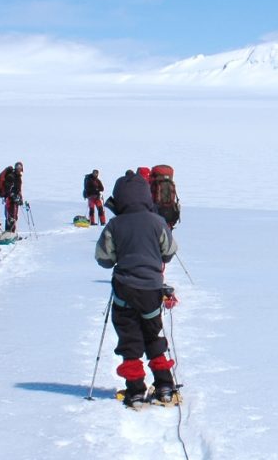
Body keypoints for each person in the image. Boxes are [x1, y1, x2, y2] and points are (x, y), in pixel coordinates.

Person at [94, 172, 180, 407]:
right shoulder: (157, 221)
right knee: (153, 335)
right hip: (151, 291)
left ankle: (136, 389)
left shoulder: (114, 224)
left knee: (130, 340)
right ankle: (164, 385)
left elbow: (103, 258)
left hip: (124, 291)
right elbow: (170, 251)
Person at [0, 162, 25, 235]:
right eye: (17, 167)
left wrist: (20, 198)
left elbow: (18, 189)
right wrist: (13, 196)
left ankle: (11, 233)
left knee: (14, 216)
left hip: (14, 200)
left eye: (20, 167)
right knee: (10, 217)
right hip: (9, 200)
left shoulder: (18, 177)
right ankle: (9, 234)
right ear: (15, 167)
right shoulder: (11, 176)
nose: (19, 169)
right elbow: (8, 189)